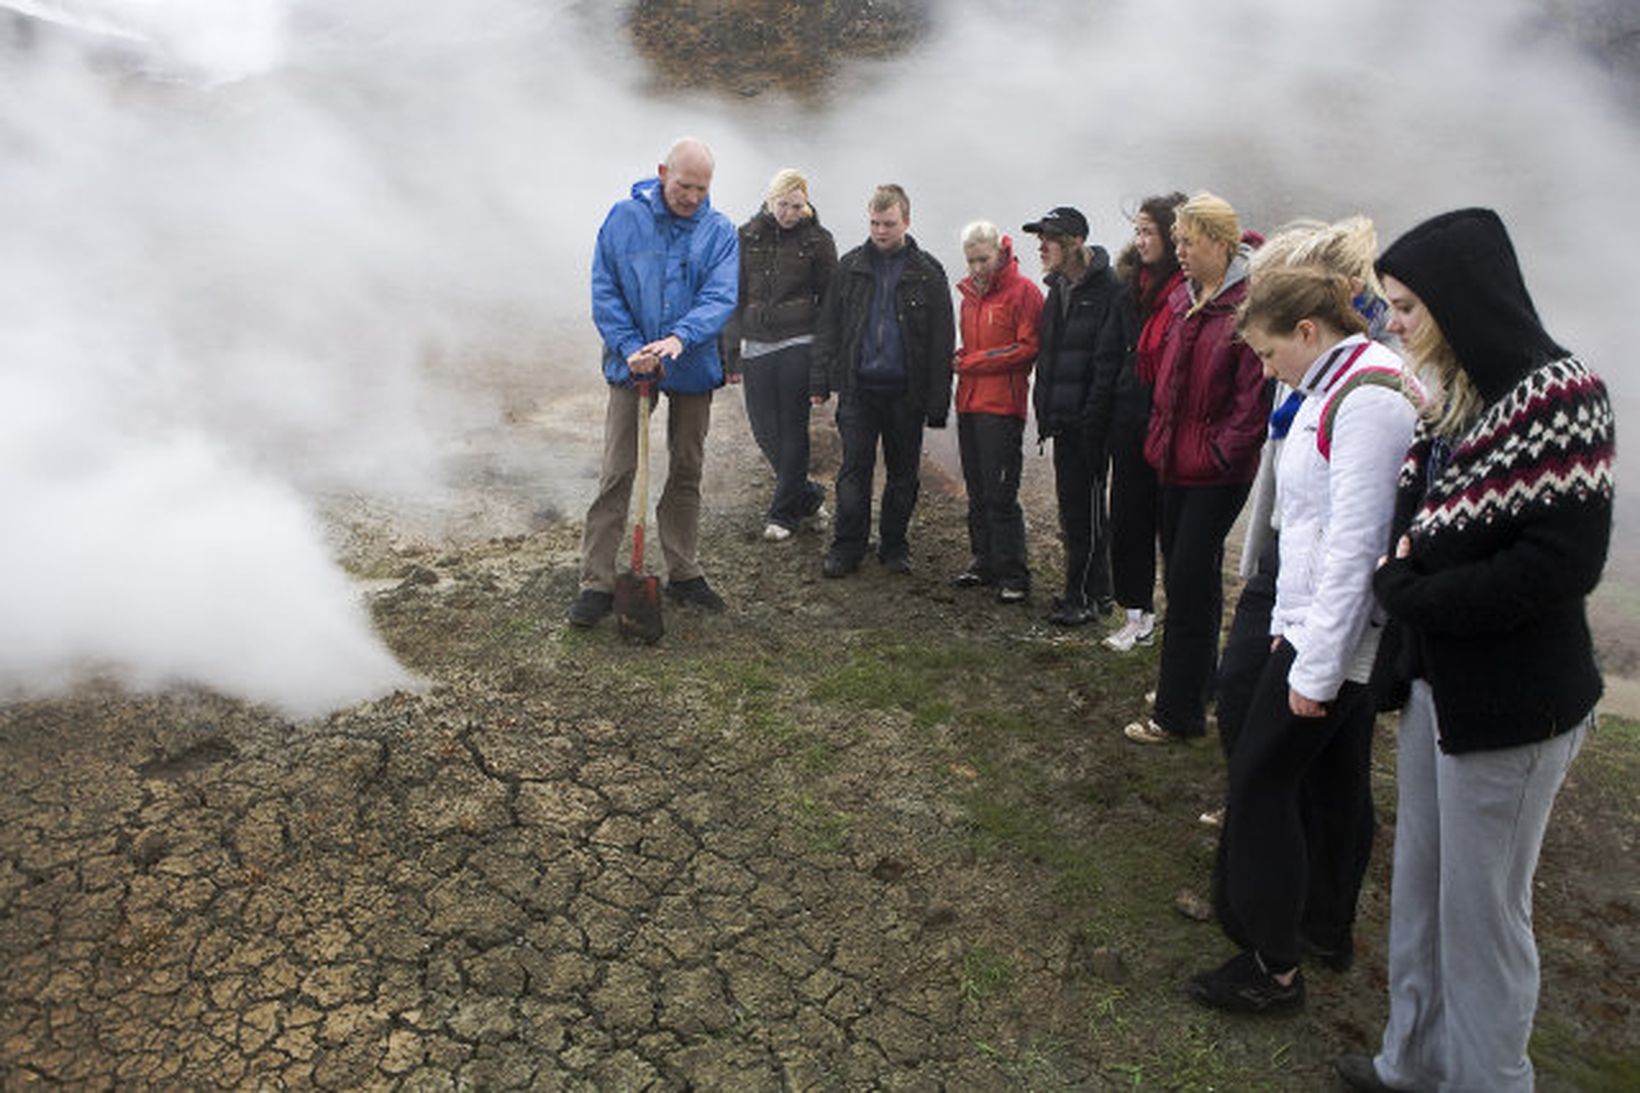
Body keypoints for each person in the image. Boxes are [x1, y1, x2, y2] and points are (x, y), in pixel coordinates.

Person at [1334, 208, 1615, 1093]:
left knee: (1484, 914)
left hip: (1515, 703)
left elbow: (1558, 566)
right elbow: (1422, 521)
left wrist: (1412, 589)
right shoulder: (1452, 401)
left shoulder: (1563, 399)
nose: (1398, 325)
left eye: (1410, 307)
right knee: (1420, 889)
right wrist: (1407, 574)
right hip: (1438, 689)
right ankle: (1411, 1062)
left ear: (1461, 300)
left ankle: (1489, 1080)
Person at [1187, 265, 1418, 1015]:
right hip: (1307, 627)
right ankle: (1288, 934)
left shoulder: (1369, 401)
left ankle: (1275, 966)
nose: (1262, 367)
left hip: (1333, 645)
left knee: (1261, 784)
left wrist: (1314, 670)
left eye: (1265, 352)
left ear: (1308, 333)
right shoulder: (1329, 383)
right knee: (1275, 783)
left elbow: (1355, 547)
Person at [567, 137, 739, 627]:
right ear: (663, 173)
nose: (692, 198)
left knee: (687, 466)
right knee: (618, 469)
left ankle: (683, 571)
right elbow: (605, 288)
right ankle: (596, 582)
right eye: (684, 186)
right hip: (632, 362)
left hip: (691, 362)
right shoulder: (624, 219)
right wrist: (628, 347)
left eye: (701, 190)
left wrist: (681, 339)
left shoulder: (720, 231)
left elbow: (720, 296)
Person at [1125, 192, 1270, 743]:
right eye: (1178, 240)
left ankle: (1177, 714)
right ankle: (1192, 684)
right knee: (1191, 579)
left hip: (1214, 471)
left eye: (1188, 241)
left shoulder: (1244, 306)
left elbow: (1250, 401)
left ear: (1219, 242)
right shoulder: (1188, 295)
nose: (1178, 251)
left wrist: (1218, 454)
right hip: (1174, 460)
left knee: (1187, 582)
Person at [811, 183, 954, 578]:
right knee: (853, 472)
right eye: (874, 223)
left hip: (905, 394)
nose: (880, 231)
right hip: (858, 390)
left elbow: (943, 340)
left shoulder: (928, 272)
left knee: (903, 475)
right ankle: (847, 547)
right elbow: (829, 327)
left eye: (888, 223)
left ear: (906, 220)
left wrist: (938, 404)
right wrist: (820, 381)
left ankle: (894, 546)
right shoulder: (851, 266)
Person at [1089, 192, 1186, 649]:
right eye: (1138, 231)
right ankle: (1136, 612)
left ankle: (1178, 618)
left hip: (1171, 424)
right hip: (1129, 418)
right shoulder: (1130, 287)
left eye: (1150, 231)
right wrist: (1105, 411)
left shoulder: (1185, 293)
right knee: (1128, 518)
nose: (1141, 240)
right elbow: (1109, 352)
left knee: (1171, 526)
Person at [722, 168, 837, 543]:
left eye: (797, 206)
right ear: (769, 201)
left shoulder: (818, 240)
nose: (789, 213)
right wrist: (731, 353)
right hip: (756, 344)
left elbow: (830, 302)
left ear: (806, 205)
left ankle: (783, 514)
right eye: (783, 205)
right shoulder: (746, 236)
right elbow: (734, 296)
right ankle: (807, 496)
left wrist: (823, 360)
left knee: (791, 429)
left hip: (797, 342)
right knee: (763, 430)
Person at [1023, 206, 1122, 625]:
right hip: (1063, 420)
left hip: (1089, 424)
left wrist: (1092, 421)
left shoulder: (1108, 292)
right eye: (1040, 238)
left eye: (1051, 239)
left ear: (1076, 242)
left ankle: (1080, 596)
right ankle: (1099, 592)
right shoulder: (1058, 289)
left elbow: (1107, 364)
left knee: (1087, 513)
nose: (1042, 247)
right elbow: (1051, 358)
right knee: (1074, 509)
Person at [951, 221, 1043, 602]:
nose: (976, 268)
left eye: (983, 259)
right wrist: (963, 359)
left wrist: (971, 362)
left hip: (1003, 407)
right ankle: (984, 560)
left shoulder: (1025, 293)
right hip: (969, 403)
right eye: (971, 261)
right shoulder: (970, 295)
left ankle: (1013, 574)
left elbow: (1027, 349)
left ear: (1000, 253)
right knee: (976, 489)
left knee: (1000, 492)